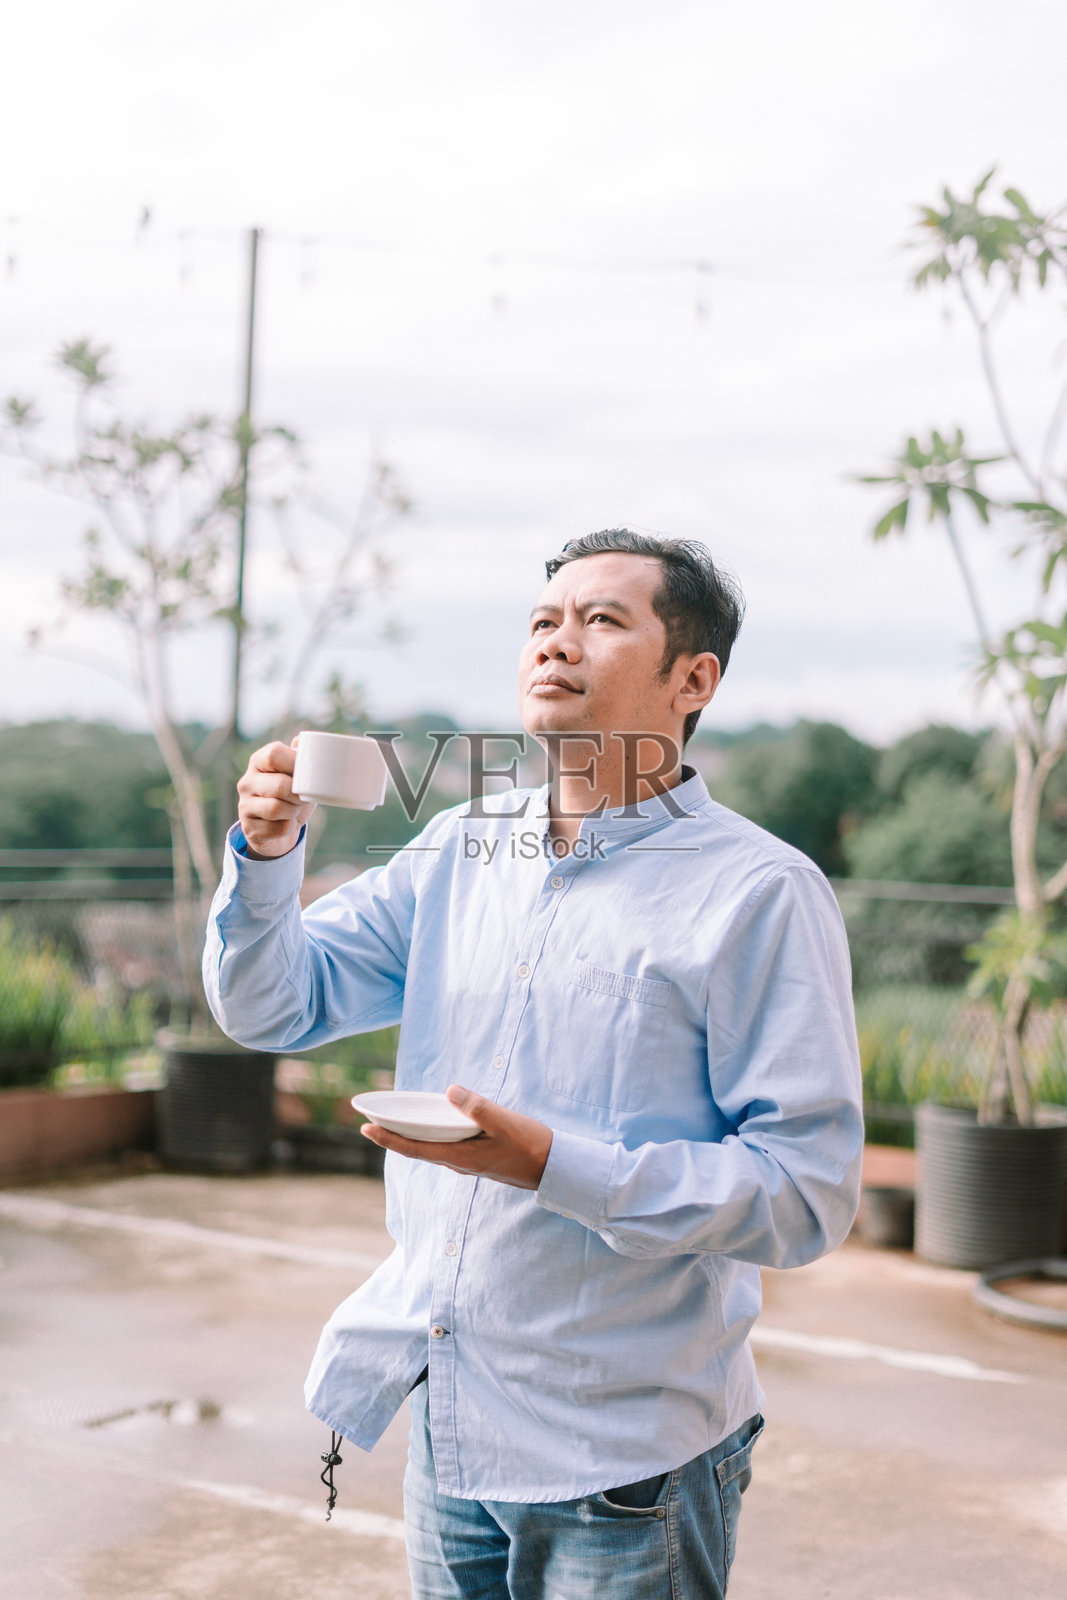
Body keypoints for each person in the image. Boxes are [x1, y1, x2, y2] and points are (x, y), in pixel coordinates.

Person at [204, 529, 863, 1599]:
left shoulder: (758, 891)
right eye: (542, 621)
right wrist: (270, 860)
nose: (556, 643)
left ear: (691, 677)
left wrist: (552, 1163)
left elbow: (805, 1193)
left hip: (626, 1463)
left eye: (602, 620)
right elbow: (273, 1003)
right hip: (452, 1428)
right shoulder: (457, 847)